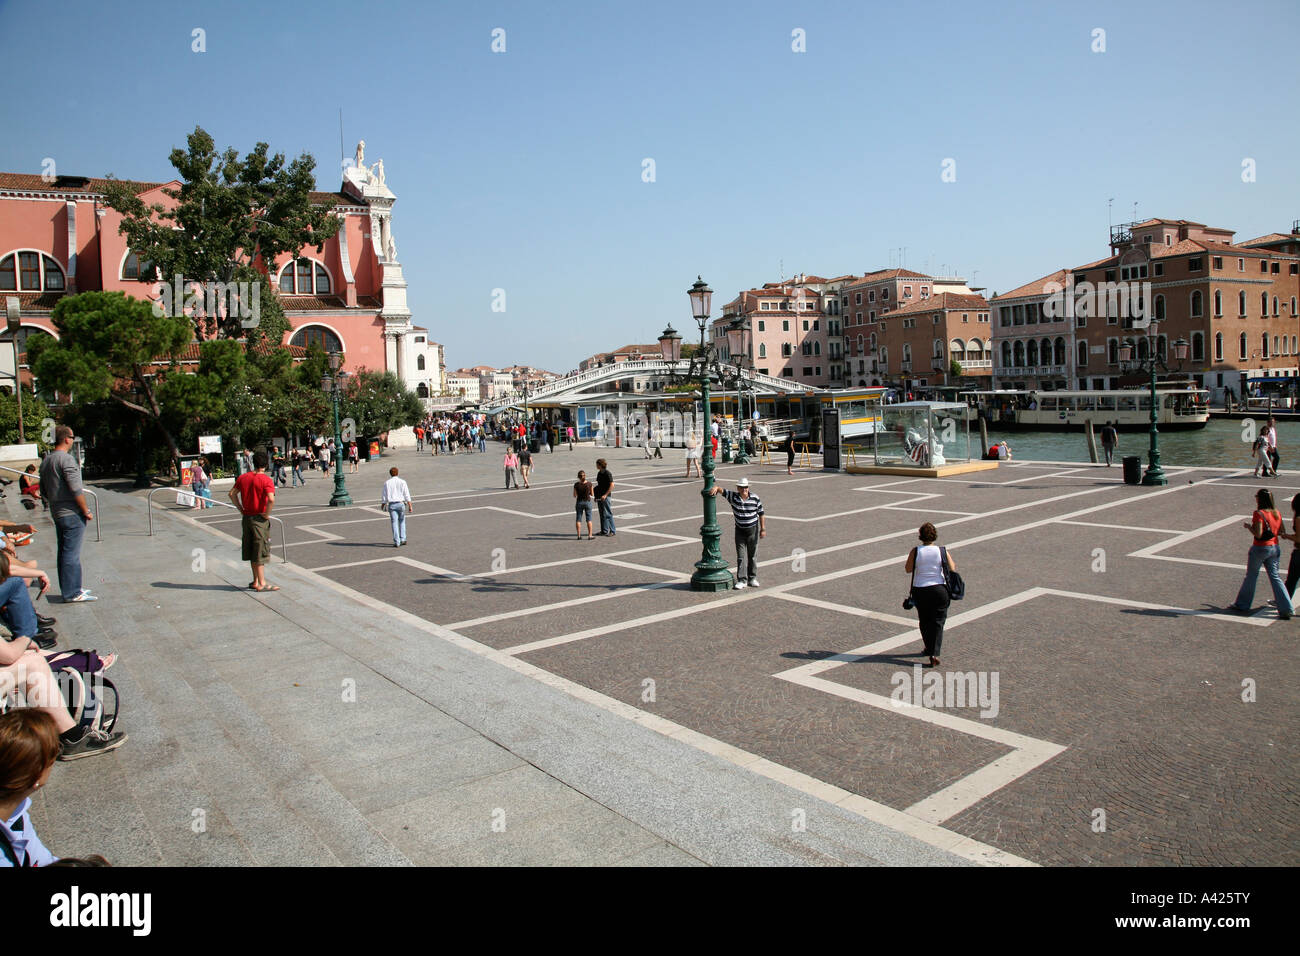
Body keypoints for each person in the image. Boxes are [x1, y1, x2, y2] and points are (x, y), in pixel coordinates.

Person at [38, 427, 97, 604]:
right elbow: (75, 489)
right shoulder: (66, 459)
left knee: (64, 552)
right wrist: (85, 510)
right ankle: (72, 592)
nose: (72, 440)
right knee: (71, 553)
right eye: (72, 437)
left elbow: (43, 490)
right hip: (71, 513)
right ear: (66, 439)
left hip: (57, 512)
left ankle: (71, 587)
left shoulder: (47, 460)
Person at [1229, 488, 1293, 619]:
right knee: (1275, 577)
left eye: (1256, 496)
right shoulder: (1277, 512)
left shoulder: (1259, 513)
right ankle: (1286, 607)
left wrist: (1249, 527)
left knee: (1251, 576)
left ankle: (1242, 604)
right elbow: (1281, 531)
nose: (1255, 498)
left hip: (1260, 548)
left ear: (1260, 499)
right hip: (1274, 547)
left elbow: (1258, 534)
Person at [905, 522, 957, 668]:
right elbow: (953, 568)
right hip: (940, 590)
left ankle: (928, 648)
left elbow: (908, 569)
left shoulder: (916, 551)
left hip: (921, 589)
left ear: (920, 536)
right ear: (934, 535)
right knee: (938, 621)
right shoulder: (942, 551)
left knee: (925, 620)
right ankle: (934, 653)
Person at [229, 450, 277, 592]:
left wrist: (241, 509)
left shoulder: (243, 478)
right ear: (266, 464)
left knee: (250, 548)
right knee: (260, 549)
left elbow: (231, 494)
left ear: (253, 463)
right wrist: (267, 514)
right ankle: (262, 582)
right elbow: (271, 499)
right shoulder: (266, 480)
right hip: (259, 518)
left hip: (247, 517)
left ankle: (256, 580)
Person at [708, 476, 766, 589]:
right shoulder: (733, 497)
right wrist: (716, 487)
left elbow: (761, 513)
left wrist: (763, 529)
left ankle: (752, 578)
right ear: (738, 488)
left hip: (753, 530)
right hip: (739, 530)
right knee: (741, 556)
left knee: (752, 555)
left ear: (748, 488)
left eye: (746, 487)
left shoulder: (755, 498)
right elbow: (722, 491)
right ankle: (742, 579)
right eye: (742, 487)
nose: (744, 489)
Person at [380, 467, 413, 547]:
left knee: (394, 523)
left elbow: (384, 496)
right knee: (402, 521)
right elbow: (406, 494)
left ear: (390, 474)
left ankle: (397, 541)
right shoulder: (402, 482)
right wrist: (410, 505)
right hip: (401, 503)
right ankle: (403, 539)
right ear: (397, 473)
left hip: (392, 504)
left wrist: (383, 504)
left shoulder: (387, 483)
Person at [1283, 493, 1300, 600]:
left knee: (1291, 580)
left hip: (1299, 553)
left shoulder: (1298, 518)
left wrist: (1286, 536)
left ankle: (1284, 601)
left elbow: (1299, 538)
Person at [594, 458, 615, 536]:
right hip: (600, 496)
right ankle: (604, 530)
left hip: (606, 496)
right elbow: (599, 486)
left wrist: (605, 495)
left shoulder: (607, 473)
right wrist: (596, 496)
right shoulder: (599, 473)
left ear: (600, 465)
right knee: (602, 513)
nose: (596, 466)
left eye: (597, 464)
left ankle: (612, 530)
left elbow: (612, 485)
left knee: (608, 513)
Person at [573, 470, 594, 540]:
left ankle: (579, 536)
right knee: (589, 519)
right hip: (587, 502)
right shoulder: (589, 484)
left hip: (579, 502)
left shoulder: (576, 485)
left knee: (578, 519)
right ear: (585, 476)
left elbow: (574, 495)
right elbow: (592, 494)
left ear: (578, 477)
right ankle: (590, 535)